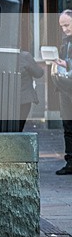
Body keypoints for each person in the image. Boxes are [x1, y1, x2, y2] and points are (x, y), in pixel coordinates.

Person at [55, 10, 72, 175]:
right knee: (68, 127)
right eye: (62, 26)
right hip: (66, 88)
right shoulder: (65, 41)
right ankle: (70, 162)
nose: (64, 29)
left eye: (67, 25)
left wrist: (67, 64)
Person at [18, 49, 43, 132]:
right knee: (19, 127)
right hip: (24, 98)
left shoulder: (0, 55)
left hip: (4, 99)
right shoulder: (25, 56)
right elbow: (39, 73)